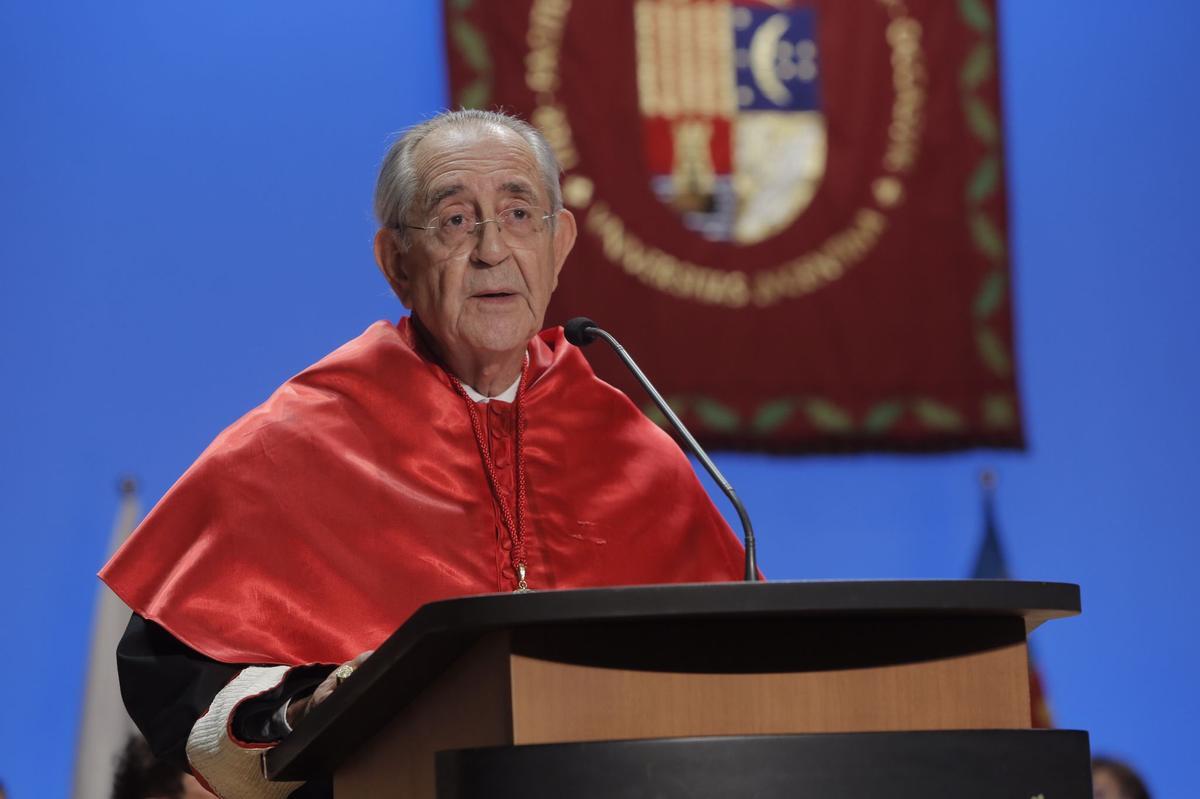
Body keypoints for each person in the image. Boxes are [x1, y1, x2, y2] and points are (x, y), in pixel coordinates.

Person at [100, 109, 747, 798]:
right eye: (455, 221)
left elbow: (740, 664)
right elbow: (172, 670)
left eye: (520, 213)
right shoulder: (299, 437)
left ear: (560, 245)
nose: (493, 249)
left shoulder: (635, 453)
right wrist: (301, 707)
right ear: (395, 262)